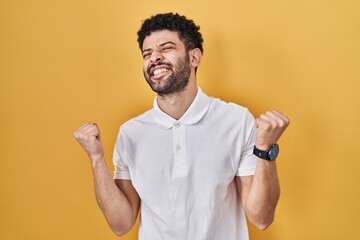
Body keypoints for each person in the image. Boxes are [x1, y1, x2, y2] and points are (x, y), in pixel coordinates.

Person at [73, 12, 290, 240]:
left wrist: (265, 150)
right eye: (147, 53)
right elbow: (121, 224)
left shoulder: (236, 120)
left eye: (166, 48)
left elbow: (261, 218)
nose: (154, 58)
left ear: (194, 57)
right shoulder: (130, 133)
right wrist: (96, 159)